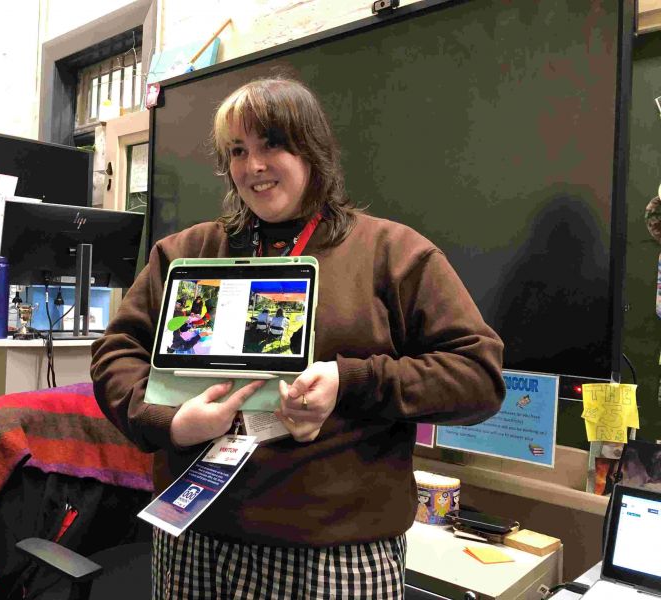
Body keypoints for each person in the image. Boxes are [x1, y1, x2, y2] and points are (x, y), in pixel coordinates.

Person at [91, 77, 505, 599]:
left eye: (271, 144)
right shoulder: (185, 253)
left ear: (312, 150)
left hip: (332, 556)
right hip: (191, 538)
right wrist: (169, 421)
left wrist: (348, 382)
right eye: (238, 151)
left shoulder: (394, 254)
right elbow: (116, 354)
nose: (253, 166)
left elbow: (478, 376)